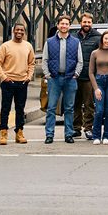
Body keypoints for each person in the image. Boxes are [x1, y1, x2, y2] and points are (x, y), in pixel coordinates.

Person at [43, 15, 83, 144]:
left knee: (69, 108)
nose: (64, 26)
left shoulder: (76, 42)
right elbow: (45, 59)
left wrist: (76, 74)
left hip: (70, 78)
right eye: (62, 24)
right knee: (51, 108)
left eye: (66, 24)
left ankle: (68, 134)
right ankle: (49, 135)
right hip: (54, 78)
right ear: (58, 25)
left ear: (69, 26)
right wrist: (48, 75)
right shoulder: (49, 41)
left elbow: (80, 60)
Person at [0, 22, 35, 146]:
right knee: (5, 108)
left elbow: (31, 63)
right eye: (17, 30)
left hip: (22, 82)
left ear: (24, 32)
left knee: (20, 109)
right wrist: (4, 77)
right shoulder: (5, 46)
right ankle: (3, 133)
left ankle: (19, 132)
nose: (19, 32)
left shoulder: (28, 46)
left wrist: (29, 77)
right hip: (8, 82)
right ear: (13, 31)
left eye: (22, 30)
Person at [73, 13, 102, 139]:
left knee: (89, 104)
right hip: (75, 75)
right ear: (81, 23)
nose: (87, 24)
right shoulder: (74, 37)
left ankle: (88, 128)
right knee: (76, 103)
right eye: (84, 22)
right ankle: (76, 128)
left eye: (89, 22)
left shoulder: (97, 38)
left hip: (90, 77)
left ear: (92, 23)